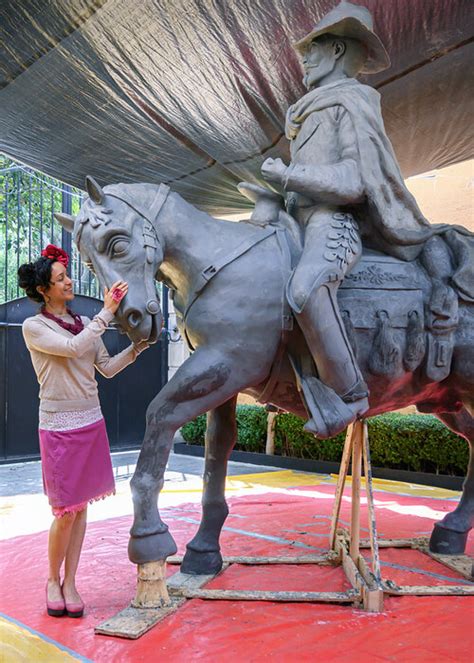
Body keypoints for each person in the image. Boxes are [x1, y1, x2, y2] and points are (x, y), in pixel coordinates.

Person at [261, 0, 473, 437]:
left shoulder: (354, 102)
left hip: (334, 220)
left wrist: (290, 174)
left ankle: (348, 395)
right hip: (295, 219)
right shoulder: (307, 109)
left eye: (312, 48)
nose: (303, 58)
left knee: (305, 288)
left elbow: (355, 179)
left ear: (337, 50)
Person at [18, 243, 148, 618]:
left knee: (80, 508)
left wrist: (138, 348)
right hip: (58, 427)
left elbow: (104, 367)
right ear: (43, 289)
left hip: (91, 421)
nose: (69, 282)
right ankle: (51, 579)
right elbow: (75, 349)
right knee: (64, 511)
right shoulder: (35, 327)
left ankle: (71, 581)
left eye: (66, 275)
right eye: (60, 279)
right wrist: (107, 312)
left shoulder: (81, 321)